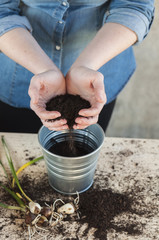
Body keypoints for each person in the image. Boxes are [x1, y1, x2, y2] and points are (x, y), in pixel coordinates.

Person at [0, 0, 154, 133]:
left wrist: (86, 65)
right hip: (19, 72)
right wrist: (45, 69)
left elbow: (135, 5)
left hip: (95, 78)